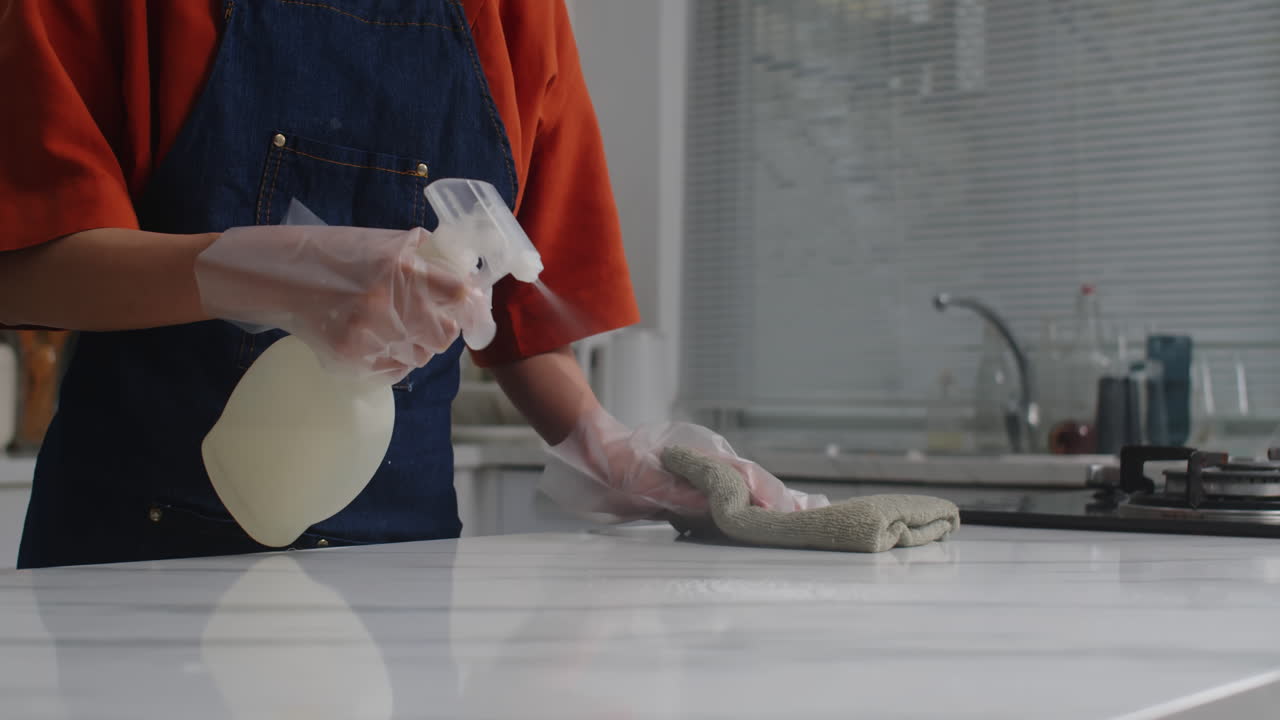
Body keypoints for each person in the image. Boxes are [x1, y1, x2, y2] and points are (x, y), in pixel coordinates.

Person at [0, 0, 811, 569]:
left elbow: (520, 313)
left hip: (399, 567)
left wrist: (605, 447)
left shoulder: (516, 15)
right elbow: (22, 265)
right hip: (131, 559)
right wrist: (264, 270)